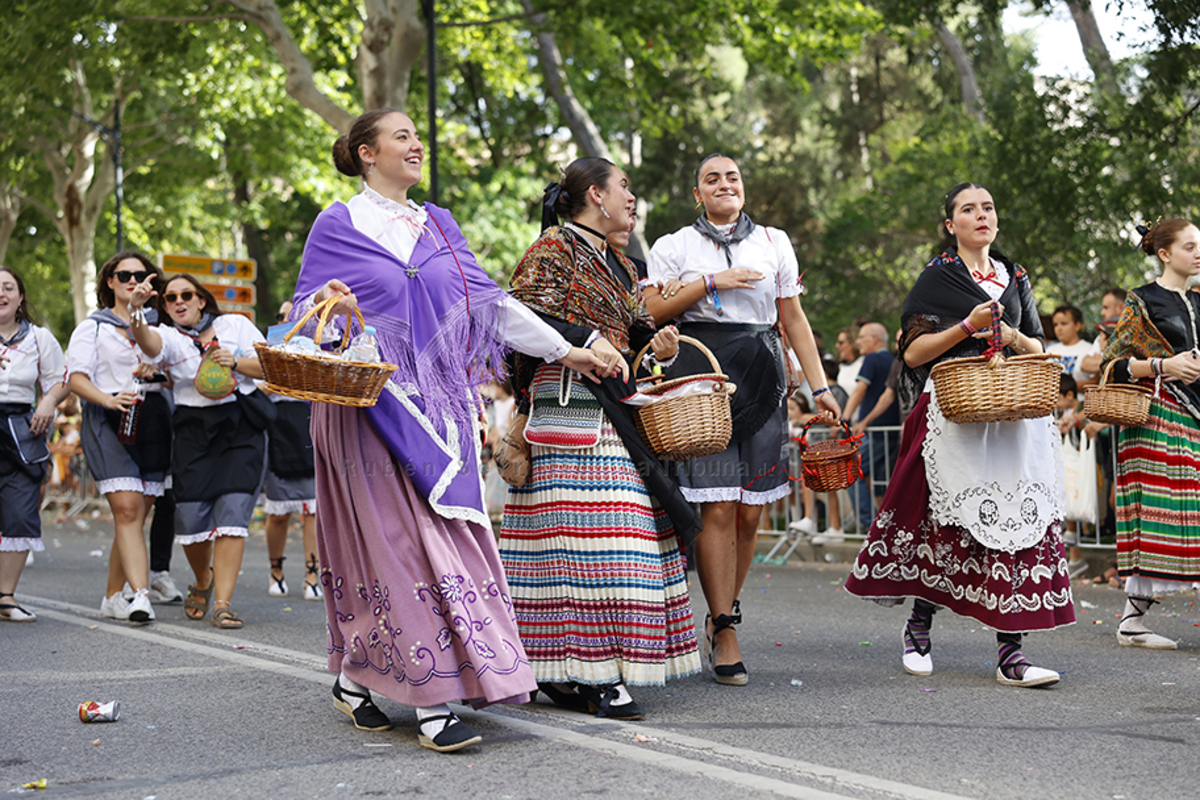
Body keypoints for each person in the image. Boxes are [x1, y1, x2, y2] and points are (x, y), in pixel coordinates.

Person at [291, 109, 606, 753]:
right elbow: (306, 315)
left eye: (415, 135)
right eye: (400, 135)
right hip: (367, 410)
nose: (415, 144)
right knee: (394, 548)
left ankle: (360, 677)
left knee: (444, 545)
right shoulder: (338, 223)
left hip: (440, 409)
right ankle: (435, 702)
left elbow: (487, 304)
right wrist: (339, 315)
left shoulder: (438, 224)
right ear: (363, 151)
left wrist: (567, 348)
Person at [844, 182, 1074, 688]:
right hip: (955, 409)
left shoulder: (1014, 275)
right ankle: (919, 628)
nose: (981, 215)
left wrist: (1013, 337)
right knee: (948, 521)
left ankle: (1011, 652)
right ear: (951, 225)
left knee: (1017, 520)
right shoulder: (938, 278)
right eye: (968, 209)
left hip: (1013, 414)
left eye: (988, 207)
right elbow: (913, 353)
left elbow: (1038, 344)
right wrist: (967, 327)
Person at [500, 157, 702, 717]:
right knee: (593, 539)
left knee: (604, 538)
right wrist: (586, 336)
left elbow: (634, 331)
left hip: (616, 405)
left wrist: (655, 340)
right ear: (596, 194)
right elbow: (518, 316)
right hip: (569, 405)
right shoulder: (552, 250)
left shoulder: (623, 262)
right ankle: (590, 672)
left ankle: (575, 672)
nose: (632, 200)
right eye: (626, 189)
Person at [644, 153, 839, 686]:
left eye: (732, 176)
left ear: (743, 188)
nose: (725, 184)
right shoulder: (673, 245)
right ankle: (725, 628)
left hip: (761, 370)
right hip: (702, 372)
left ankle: (722, 609)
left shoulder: (773, 240)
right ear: (697, 193)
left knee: (751, 513)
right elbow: (652, 313)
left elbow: (792, 317)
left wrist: (821, 387)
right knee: (719, 507)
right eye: (713, 178)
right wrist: (712, 282)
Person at [127, 274, 268, 630]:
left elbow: (270, 366)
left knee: (232, 516)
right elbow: (150, 343)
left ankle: (223, 604)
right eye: (170, 298)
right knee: (190, 519)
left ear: (201, 299)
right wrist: (137, 310)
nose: (178, 302)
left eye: (186, 295)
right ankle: (203, 580)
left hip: (239, 429)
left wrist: (234, 362)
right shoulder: (171, 336)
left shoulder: (235, 324)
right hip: (192, 429)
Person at [1102, 218, 1200, 650]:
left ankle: (1131, 621)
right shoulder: (1142, 300)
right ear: (1165, 253)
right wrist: (1164, 365)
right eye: (1190, 246)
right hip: (1159, 417)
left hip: (1195, 417)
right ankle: (1132, 621)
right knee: (1164, 510)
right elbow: (1111, 365)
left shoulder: (1199, 299)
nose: (1198, 253)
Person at [67, 251, 173, 623]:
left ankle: (113, 594)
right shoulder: (91, 327)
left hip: (152, 422)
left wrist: (156, 372)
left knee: (135, 514)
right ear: (109, 281)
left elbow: (168, 362)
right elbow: (75, 378)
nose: (132, 280)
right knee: (127, 508)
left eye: (140, 275)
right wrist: (108, 400)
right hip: (108, 419)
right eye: (123, 274)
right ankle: (140, 595)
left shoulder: (160, 326)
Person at [0, 266, 72, 622]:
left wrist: (47, 401)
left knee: (20, 512)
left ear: (20, 296)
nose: (1, 293)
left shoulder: (40, 338)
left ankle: (6, 599)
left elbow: (62, 380)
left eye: (8, 287)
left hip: (22, 430)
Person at [262, 300, 322, 601]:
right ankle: (276, 570)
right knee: (279, 513)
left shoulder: (317, 347)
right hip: (277, 433)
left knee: (312, 511)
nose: (286, 320)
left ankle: (312, 575)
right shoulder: (266, 351)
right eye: (282, 316)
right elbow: (256, 388)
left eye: (293, 316)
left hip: (309, 430)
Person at [839, 322, 900, 538]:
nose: (857, 341)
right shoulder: (894, 361)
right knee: (881, 481)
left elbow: (859, 390)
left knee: (849, 471)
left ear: (875, 338)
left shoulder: (872, 359)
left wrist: (844, 418)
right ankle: (885, 525)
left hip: (875, 430)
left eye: (861, 337)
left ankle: (871, 524)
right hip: (891, 431)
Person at [1047, 305, 1098, 385]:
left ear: (1077, 325)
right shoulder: (1049, 350)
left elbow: (1096, 382)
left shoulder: (1089, 349)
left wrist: (1065, 386)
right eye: (1055, 325)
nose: (1059, 328)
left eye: (1064, 323)